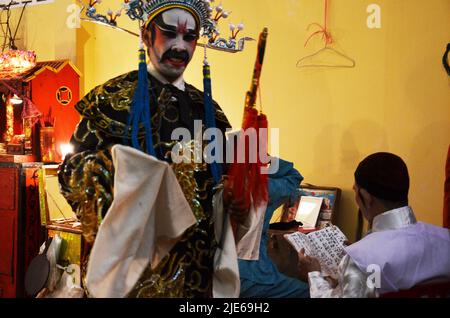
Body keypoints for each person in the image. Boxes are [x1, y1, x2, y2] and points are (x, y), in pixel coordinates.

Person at [58, 1, 248, 298]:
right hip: (133, 268)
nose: (179, 46)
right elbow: (70, 173)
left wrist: (233, 200)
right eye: (169, 34)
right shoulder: (112, 100)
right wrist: (120, 177)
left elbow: (220, 185)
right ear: (147, 35)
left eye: (189, 37)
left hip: (197, 271)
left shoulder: (207, 110)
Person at [298, 152, 450, 297]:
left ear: (365, 197)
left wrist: (314, 275)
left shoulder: (363, 258)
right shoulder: (445, 239)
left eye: (356, 192)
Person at [238, 158, 309, 298]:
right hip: (254, 274)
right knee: (310, 292)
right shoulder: (264, 187)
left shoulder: (214, 187)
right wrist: (269, 159)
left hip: (218, 271)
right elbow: (295, 176)